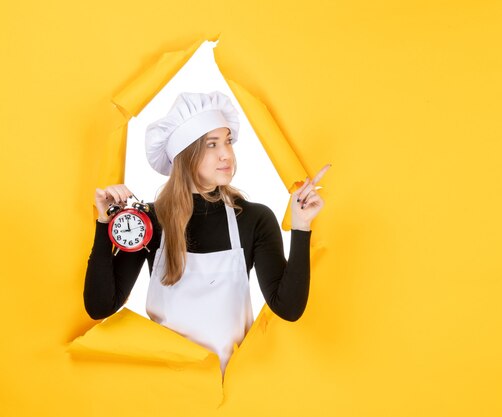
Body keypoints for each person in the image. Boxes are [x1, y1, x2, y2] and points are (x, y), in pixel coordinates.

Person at [83, 91, 330, 374]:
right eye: (212, 144)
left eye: (227, 141)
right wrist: (105, 222)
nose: (226, 153)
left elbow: (289, 308)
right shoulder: (150, 220)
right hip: (169, 388)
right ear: (185, 156)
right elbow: (100, 306)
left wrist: (301, 226)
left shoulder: (254, 218)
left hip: (231, 391)